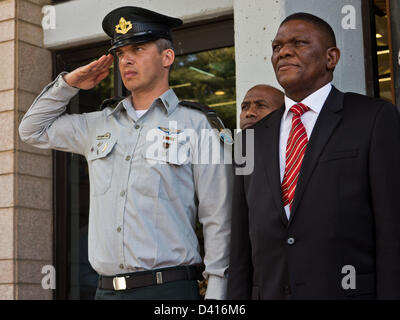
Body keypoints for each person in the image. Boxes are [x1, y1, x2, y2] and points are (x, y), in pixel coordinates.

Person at [19, 6, 232, 300]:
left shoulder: (196, 125)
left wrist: (218, 294)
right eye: (120, 53)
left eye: (139, 49)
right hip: (105, 291)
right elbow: (31, 130)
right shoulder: (97, 124)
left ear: (166, 57)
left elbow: (219, 217)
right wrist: (68, 85)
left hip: (168, 291)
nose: (126, 59)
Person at [228, 12, 400, 299]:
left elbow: (392, 231)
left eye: (298, 43)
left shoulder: (372, 119)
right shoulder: (250, 140)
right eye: (276, 47)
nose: (283, 52)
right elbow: (240, 246)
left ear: (331, 58)